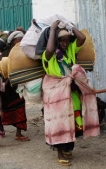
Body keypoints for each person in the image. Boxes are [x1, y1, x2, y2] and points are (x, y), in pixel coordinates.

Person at [41, 20, 100, 166]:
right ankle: (60, 152)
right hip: (56, 96)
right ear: (56, 42)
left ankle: (68, 147)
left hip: (71, 94)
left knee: (73, 121)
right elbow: (49, 50)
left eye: (67, 41)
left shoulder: (71, 51)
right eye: (61, 41)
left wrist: (70, 26)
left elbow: (82, 38)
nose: (65, 44)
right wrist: (53, 29)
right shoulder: (49, 56)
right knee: (59, 123)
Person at [0, 30, 30, 141]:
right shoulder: (6, 54)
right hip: (5, 85)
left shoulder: (22, 52)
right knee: (3, 107)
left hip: (17, 85)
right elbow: (1, 70)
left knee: (20, 106)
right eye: (19, 40)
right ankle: (1, 128)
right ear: (13, 41)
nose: (20, 42)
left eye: (22, 40)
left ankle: (18, 133)